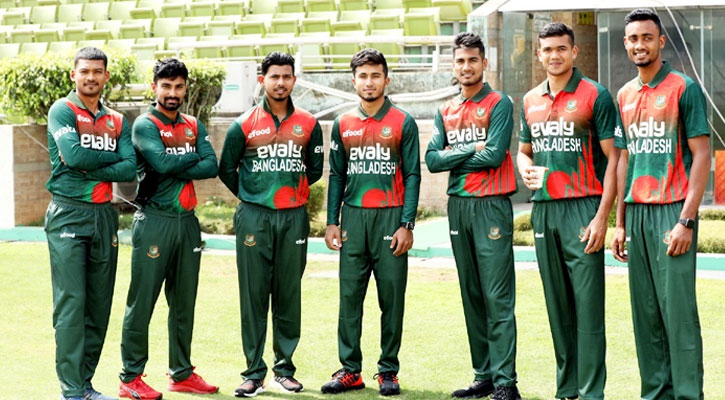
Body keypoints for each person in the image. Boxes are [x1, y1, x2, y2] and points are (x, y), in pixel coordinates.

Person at [517, 22, 621, 400]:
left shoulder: (596, 95)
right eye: (547, 49)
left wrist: (602, 217)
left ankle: (592, 392)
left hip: (583, 207)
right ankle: (567, 390)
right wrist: (524, 167)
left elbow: (614, 160)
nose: (554, 55)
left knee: (588, 309)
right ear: (539, 54)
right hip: (544, 210)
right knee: (558, 307)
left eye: (562, 48)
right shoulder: (530, 100)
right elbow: (524, 151)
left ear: (574, 52)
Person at [611, 9, 709, 399]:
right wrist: (620, 222)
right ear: (626, 44)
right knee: (646, 313)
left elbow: (702, 155)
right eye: (633, 39)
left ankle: (687, 394)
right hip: (636, 211)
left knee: (678, 313)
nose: (640, 45)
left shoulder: (684, 88)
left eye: (647, 38)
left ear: (661, 42)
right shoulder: (623, 94)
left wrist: (686, 220)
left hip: (672, 210)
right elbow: (623, 160)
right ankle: (655, 393)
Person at [218, 51, 324, 398]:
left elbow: (314, 170)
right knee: (253, 295)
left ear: (294, 80)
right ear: (262, 80)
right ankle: (253, 373)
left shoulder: (309, 123)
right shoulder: (243, 124)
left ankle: (284, 370)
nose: (281, 83)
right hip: (254, 215)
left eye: (286, 76)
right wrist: (253, 193)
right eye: (274, 76)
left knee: (288, 294)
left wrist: (288, 190)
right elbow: (227, 169)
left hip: (293, 216)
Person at [425, 32, 521, 400]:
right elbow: (432, 160)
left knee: (497, 295)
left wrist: (453, 155)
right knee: (472, 293)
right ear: (453, 65)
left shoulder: (499, 103)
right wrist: (468, 149)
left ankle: (506, 382)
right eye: (460, 61)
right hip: (459, 205)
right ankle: (483, 375)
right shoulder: (445, 109)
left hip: (490, 203)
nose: (466, 67)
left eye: (473, 60)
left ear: (485, 63)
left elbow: (494, 155)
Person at [320, 48, 421, 397]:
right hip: (353, 218)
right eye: (363, 76)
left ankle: (388, 370)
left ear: (386, 79)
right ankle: (350, 370)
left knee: (391, 299)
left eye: (375, 75)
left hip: (390, 217)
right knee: (349, 298)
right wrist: (331, 221)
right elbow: (336, 175)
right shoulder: (342, 123)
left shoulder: (403, 122)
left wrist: (407, 223)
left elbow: (412, 174)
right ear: (353, 81)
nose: (369, 82)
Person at [118, 58, 219, 399]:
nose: (172, 92)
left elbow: (212, 165)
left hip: (187, 223)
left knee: (183, 303)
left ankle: (182, 373)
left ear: (185, 88)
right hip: (155, 220)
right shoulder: (145, 125)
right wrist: (190, 157)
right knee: (142, 302)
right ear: (154, 87)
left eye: (178, 86)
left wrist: (177, 161)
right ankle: (130, 377)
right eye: (166, 86)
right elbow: (160, 163)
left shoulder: (193, 124)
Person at [45, 46, 136, 400]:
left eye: (97, 71)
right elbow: (72, 155)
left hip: (104, 215)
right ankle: (71, 390)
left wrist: (89, 166)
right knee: (72, 303)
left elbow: (129, 168)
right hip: (68, 212)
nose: (91, 77)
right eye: (84, 71)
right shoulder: (62, 110)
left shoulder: (117, 120)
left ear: (106, 76)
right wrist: (108, 160)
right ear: (74, 74)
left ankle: (85, 384)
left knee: (99, 305)